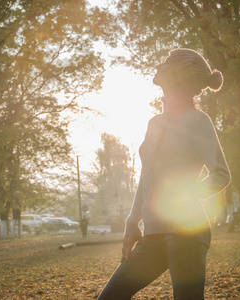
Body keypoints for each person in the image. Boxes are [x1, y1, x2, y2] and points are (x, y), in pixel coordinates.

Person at [97, 48, 231, 300]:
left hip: (188, 232)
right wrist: (131, 222)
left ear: (180, 75)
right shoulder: (154, 123)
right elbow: (146, 175)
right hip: (153, 235)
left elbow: (221, 174)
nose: (160, 64)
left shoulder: (197, 121)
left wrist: (183, 197)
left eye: (168, 62)